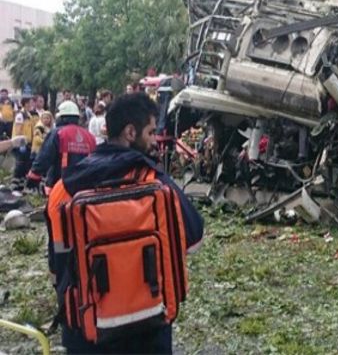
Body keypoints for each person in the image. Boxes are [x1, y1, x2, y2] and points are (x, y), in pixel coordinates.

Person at [46, 92, 204, 353]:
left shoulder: (63, 189)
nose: (155, 141)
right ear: (131, 132)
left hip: (88, 331)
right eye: (151, 132)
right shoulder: (155, 181)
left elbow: (57, 269)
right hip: (149, 327)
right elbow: (194, 238)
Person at [26, 100, 96, 192]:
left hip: (60, 186)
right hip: (84, 188)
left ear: (61, 118)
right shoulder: (89, 136)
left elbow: (45, 157)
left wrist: (33, 177)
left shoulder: (58, 133)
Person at [11, 97, 38, 187]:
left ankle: (21, 184)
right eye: (30, 102)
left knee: (26, 164)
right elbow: (18, 130)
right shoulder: (20, 115)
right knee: (20, 163)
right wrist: (21, 142)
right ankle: (15, 183)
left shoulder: (29, 115)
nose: (32, 104)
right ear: (26, 104)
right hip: (20, 143)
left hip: (27, 143)